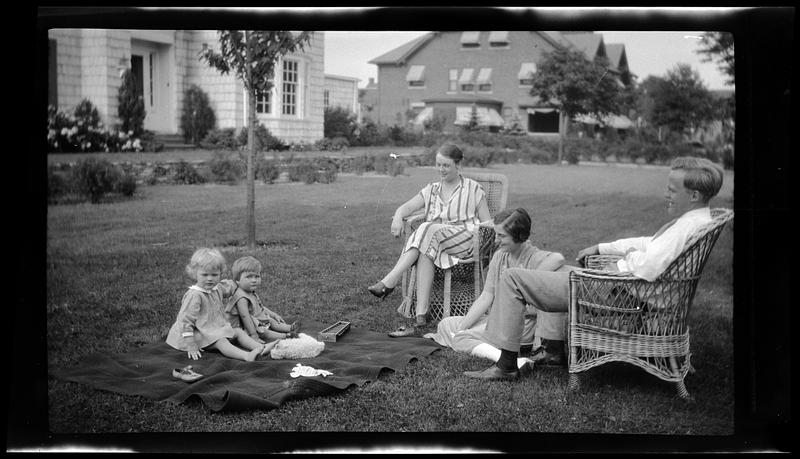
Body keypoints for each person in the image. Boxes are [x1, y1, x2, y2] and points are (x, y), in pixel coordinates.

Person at [464, 156, 725, 380]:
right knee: (556, 270)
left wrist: (622, 262)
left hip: (618, 292)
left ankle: (506, 365)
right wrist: (603, 248)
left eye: (671, 189)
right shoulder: (694, 222)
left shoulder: (685, 228)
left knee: (512, 278)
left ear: (693, 195)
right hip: (623, 289)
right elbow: (649, 244)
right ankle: (552, 350)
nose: (666, 194)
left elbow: (647, 266)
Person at [367, 143, 491, 337]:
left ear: (458, 165)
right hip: (435, 242)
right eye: (438, 164)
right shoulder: (432, 190)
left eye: (446, 165)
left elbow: (487, 222)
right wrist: (398, 217)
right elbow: (406, 207)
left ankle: (389, 281)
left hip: (466, 240)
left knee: (427, 228)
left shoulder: (473, 188)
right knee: (426, 248)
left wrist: (498, 235)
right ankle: (421, 316)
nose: (441, 169)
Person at [423, 208, 568, 372]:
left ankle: (511, 360)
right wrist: (463, 326)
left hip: (519, 329)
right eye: (496, 234)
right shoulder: (500, 256)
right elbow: (486, 296)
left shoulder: (533, 256)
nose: (496, 240)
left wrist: (534, 274)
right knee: (447, 324)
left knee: (460, 339)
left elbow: (558, 258)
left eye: (502, 236)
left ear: (519, 235)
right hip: (496, 320)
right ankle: (469, 338)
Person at [166, 248, 278, 362]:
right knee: (221, 341)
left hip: (214, 328)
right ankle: (246, 356)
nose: (210, 279)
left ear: (220, 273)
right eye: (204, 275)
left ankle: (261, 347)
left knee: (238, 331)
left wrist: (243, 277)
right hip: (196, 333)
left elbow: (232, 285)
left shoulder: (217, 288)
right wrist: (191, 344)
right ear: (195, 273)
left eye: (214, 275)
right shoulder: (195, 296)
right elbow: (185, 321)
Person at [224, 256, 301, 343]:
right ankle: (285, 336)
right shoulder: (241, 298)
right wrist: (253, 334)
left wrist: (273, 314)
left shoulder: (250, 291)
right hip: (244, 325)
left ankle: (290, 328)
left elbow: (259, 307)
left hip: (255, 319)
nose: (254, 280)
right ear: (237, 280)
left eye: (257, 276)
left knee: (271, 321)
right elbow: (245, 316)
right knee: (263, 331)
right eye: (249, 277)